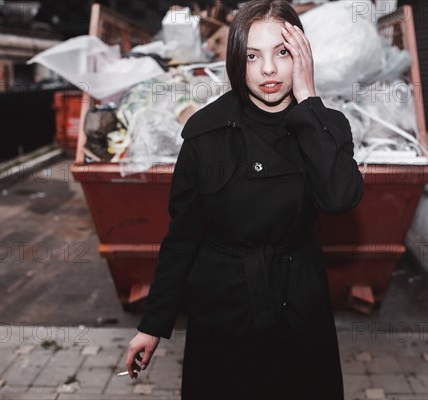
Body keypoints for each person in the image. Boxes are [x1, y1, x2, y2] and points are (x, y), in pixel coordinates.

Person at [126, 0, 363, 398]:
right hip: (223, 305)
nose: (268, 69)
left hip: (298, 302)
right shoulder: (206, 133)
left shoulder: (326, 127)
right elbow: (182, 237)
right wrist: (153, 323)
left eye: (282, 53)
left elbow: (340, 197)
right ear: (237, 61)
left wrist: (307, 98)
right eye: (253, 56)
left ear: (302, 56)